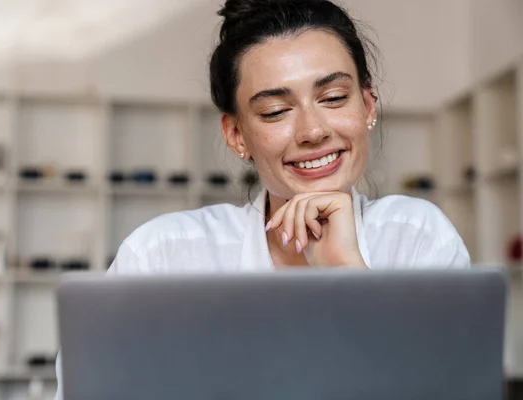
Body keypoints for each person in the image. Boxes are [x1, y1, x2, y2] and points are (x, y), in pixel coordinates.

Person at [54, 0, 469, 397]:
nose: (312, 131)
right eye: (275, 111)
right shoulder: (163, 256)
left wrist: (347, 274)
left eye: (333, 98)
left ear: (366, 105)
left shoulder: (416, 239)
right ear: (237, 135)